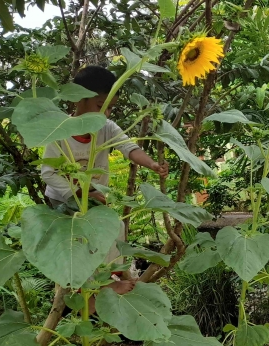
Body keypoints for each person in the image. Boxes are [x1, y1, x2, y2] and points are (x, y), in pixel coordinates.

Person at [40, 66, 168, 302]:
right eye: (101, 106)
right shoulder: (59, 131)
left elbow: (130, 148)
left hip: (93, 199)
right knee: (81, 241)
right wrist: (79, 191)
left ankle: (114, 274)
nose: (106, 113)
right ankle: (98, 287)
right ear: (79, 98)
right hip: (64, 199)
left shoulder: (106, 128)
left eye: (110, 107)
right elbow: (48, 173)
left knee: (115, 229)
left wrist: (151, 164)